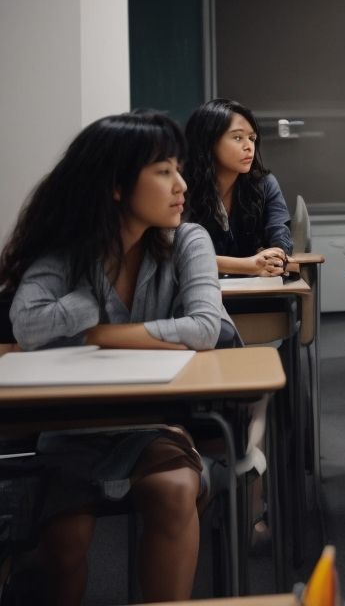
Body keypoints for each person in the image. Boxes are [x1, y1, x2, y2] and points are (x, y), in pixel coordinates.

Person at [1, 111, 237, 605]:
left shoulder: (188, 240)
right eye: (163, 171)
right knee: (65, 544)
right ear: (115, 187)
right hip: (70, 423)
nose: (181, 185)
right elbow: (27, 323)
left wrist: (97, 333)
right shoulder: (67, 251)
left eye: (179, 169)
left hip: (151, 420)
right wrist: (89, 296)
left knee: (175, 490)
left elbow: (204, 328)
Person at [183, 98, 292, 277]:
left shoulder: (264, 183)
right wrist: (249, 265)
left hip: (258, 291)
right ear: (208, 141)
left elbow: (280, 233)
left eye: (252, 138)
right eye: (237, 137)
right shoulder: (182, 187)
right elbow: (177, 253)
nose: (249, 146)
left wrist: (275, 255)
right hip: (201, 290)